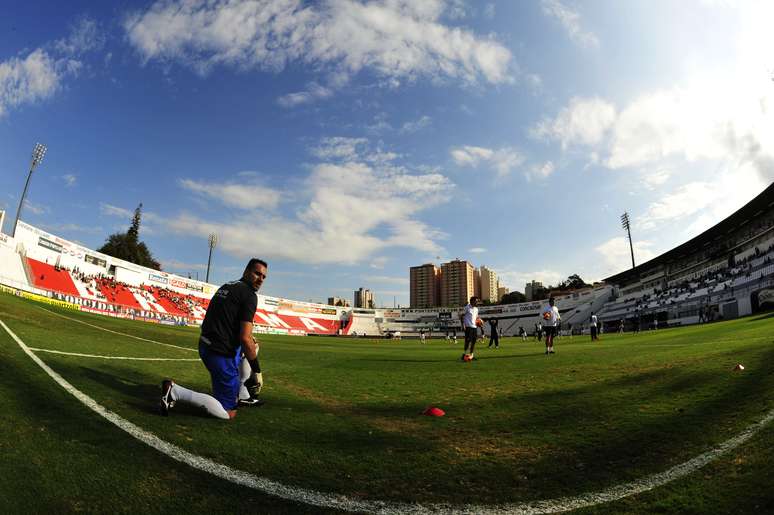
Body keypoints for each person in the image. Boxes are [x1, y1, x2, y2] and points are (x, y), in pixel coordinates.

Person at [159, 258, 267, 420]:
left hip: (206, 345)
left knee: (254, 343)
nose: (260, 279)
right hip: (220, 354)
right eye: (257, 274)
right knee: (228, 413)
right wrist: (257, 372)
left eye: (264, 277)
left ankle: (242, 393)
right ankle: (175, 391)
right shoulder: (249, 295)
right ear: (246, 271)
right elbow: (244, 338)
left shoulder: (228, 286)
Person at [459, 296, 480, 361]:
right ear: (472, 301)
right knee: (467, 341)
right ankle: (464, 354)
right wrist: (463, 325)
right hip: (468, 327)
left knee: (473, 342)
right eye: (476, 301)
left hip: (474, 327)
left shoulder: (476, 309)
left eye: (477, 301)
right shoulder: (467, 308)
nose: (477, 302)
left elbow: (476, 318)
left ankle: (471, 355)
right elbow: (461, 316)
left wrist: (479, 322)